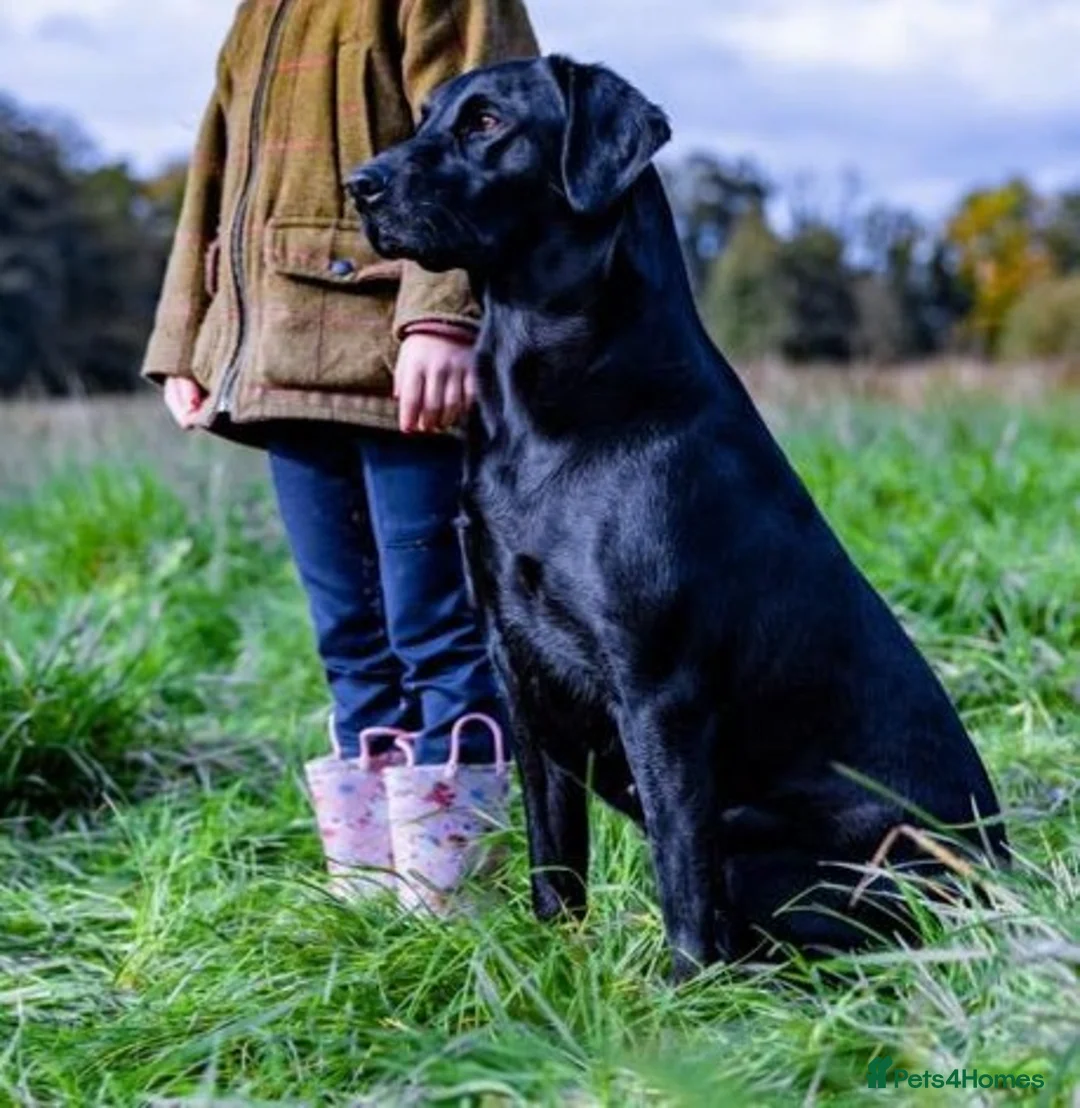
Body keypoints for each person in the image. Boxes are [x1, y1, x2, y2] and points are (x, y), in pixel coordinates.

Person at [143, 1, 538, 782]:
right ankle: (369, 897)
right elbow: (214, 168)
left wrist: (443, 317)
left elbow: (489, 136)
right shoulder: (261, 10)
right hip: (282, 363)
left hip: (404, 368)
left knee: (440, 637)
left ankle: (457, 897)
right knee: (350, 646)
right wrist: (187, 338)